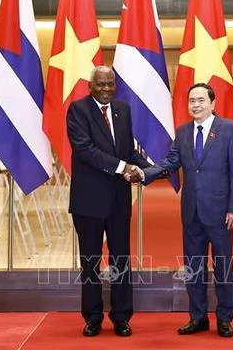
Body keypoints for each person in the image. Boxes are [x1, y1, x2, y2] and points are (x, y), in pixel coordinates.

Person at [141, 83, 233, 338]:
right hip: (191, 212)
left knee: (222, 267)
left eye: (200, 100)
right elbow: (171, 161)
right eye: (191, 101)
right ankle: (197, 318)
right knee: (194, 267)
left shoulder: (230, 130)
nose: (195, 105)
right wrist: (144, 173)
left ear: (212, 103)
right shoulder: (183, 131)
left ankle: (224, 318)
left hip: (221, 212)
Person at [66, 65, 150, 337]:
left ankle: (121, 316)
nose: (106, 89)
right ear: (91, 85)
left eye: (110, 84)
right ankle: (92, 317)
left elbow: (127, 150)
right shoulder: (78, 110)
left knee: (121, 260)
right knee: (90, 261)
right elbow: (86, 150)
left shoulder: (122, 110)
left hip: (118, 201)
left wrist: (148, 169)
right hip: (88, 201)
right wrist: (123, 168)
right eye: (101, 84)